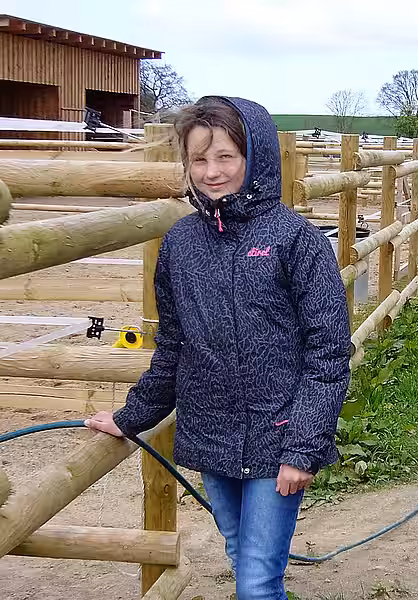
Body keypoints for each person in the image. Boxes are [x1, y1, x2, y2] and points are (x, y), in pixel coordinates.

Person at [85, 96, 351, 600]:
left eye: (226, 156)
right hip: (211, 431)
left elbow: (329, 354)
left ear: (255, 157)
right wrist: (130, 418)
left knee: (256, 583)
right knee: (239, 553)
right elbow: (173, 344)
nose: (212, 172)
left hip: (278, 437)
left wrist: (303, 448)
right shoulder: (181, 243)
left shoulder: (296, 241)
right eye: (199, 159)